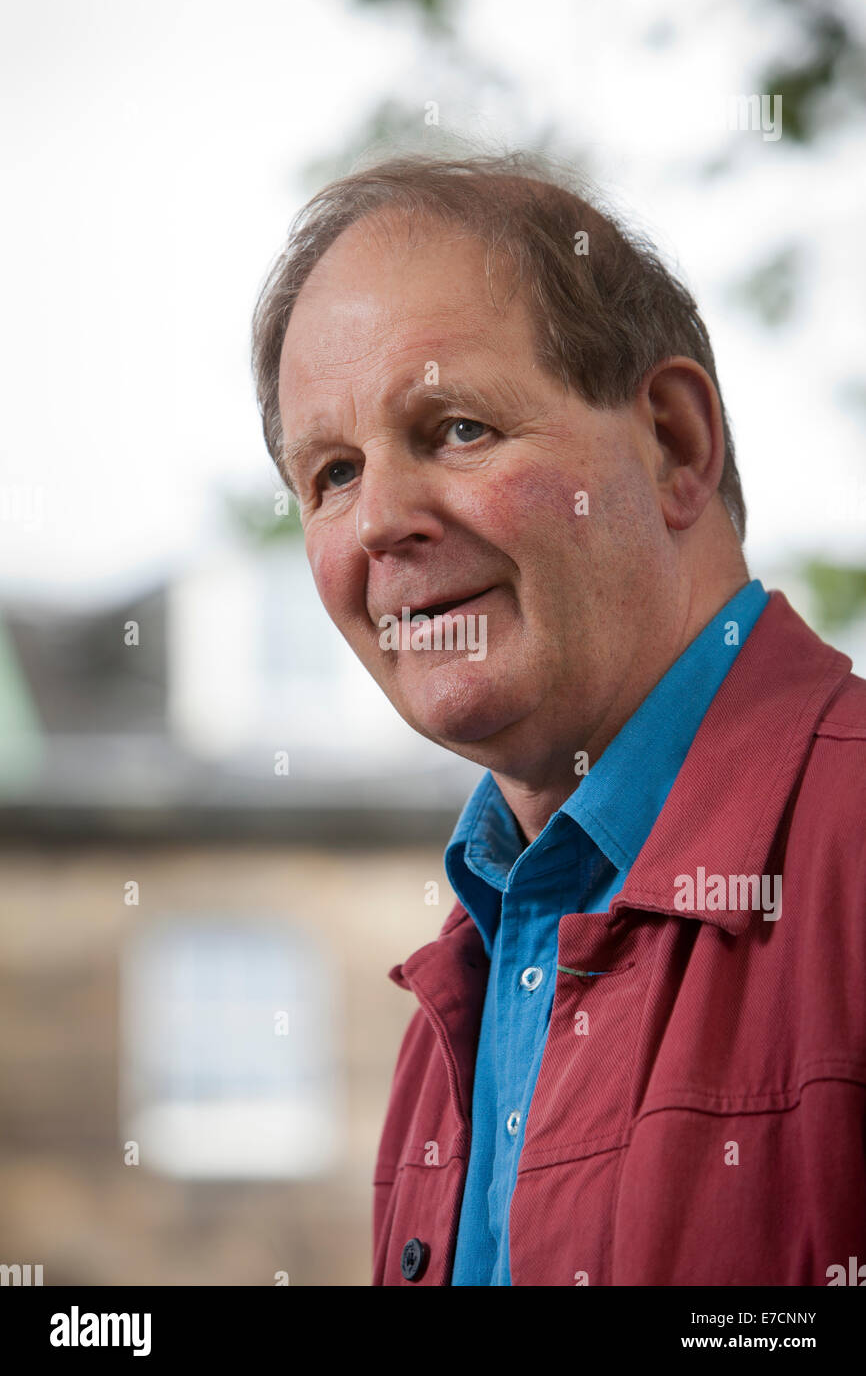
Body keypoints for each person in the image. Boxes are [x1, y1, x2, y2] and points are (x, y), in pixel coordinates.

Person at [251, 151, 866, 1286]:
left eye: (455, 429)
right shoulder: (461, 991)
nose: (380, 520)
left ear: (674, 444)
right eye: (331, 471)